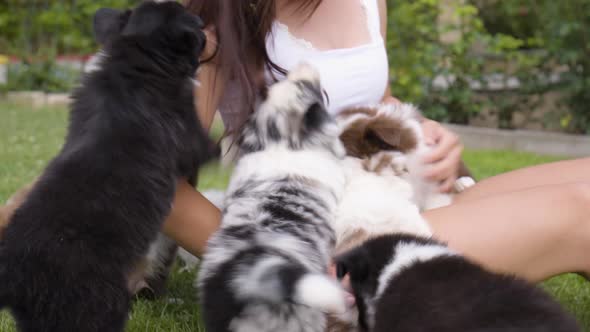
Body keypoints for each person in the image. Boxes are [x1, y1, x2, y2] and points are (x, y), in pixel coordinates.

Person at [159, 0, 590, 283]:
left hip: (393, 199)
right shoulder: (214, 16)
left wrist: (425, 130)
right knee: (583, 211)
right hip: (328, 241)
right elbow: (156, 185)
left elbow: (373, 101)